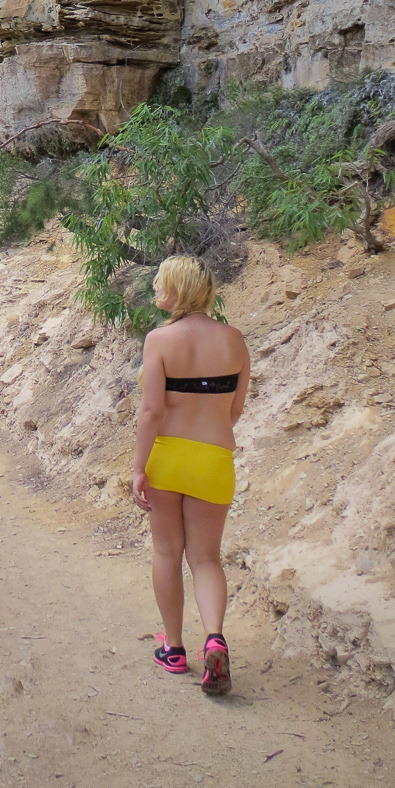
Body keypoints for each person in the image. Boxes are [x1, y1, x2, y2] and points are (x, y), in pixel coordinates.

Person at [132, 254, 250, 696]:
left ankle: (175, 649)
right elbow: (235, 409)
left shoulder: (159, 340)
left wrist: (137, 468)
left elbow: (150, 411)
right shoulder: (235, 340)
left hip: (167, 458)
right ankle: (215, 637)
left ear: (178, 290)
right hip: (214, 459)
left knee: (166, 552)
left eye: (162, 283)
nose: (156, 290)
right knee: (206, 559)